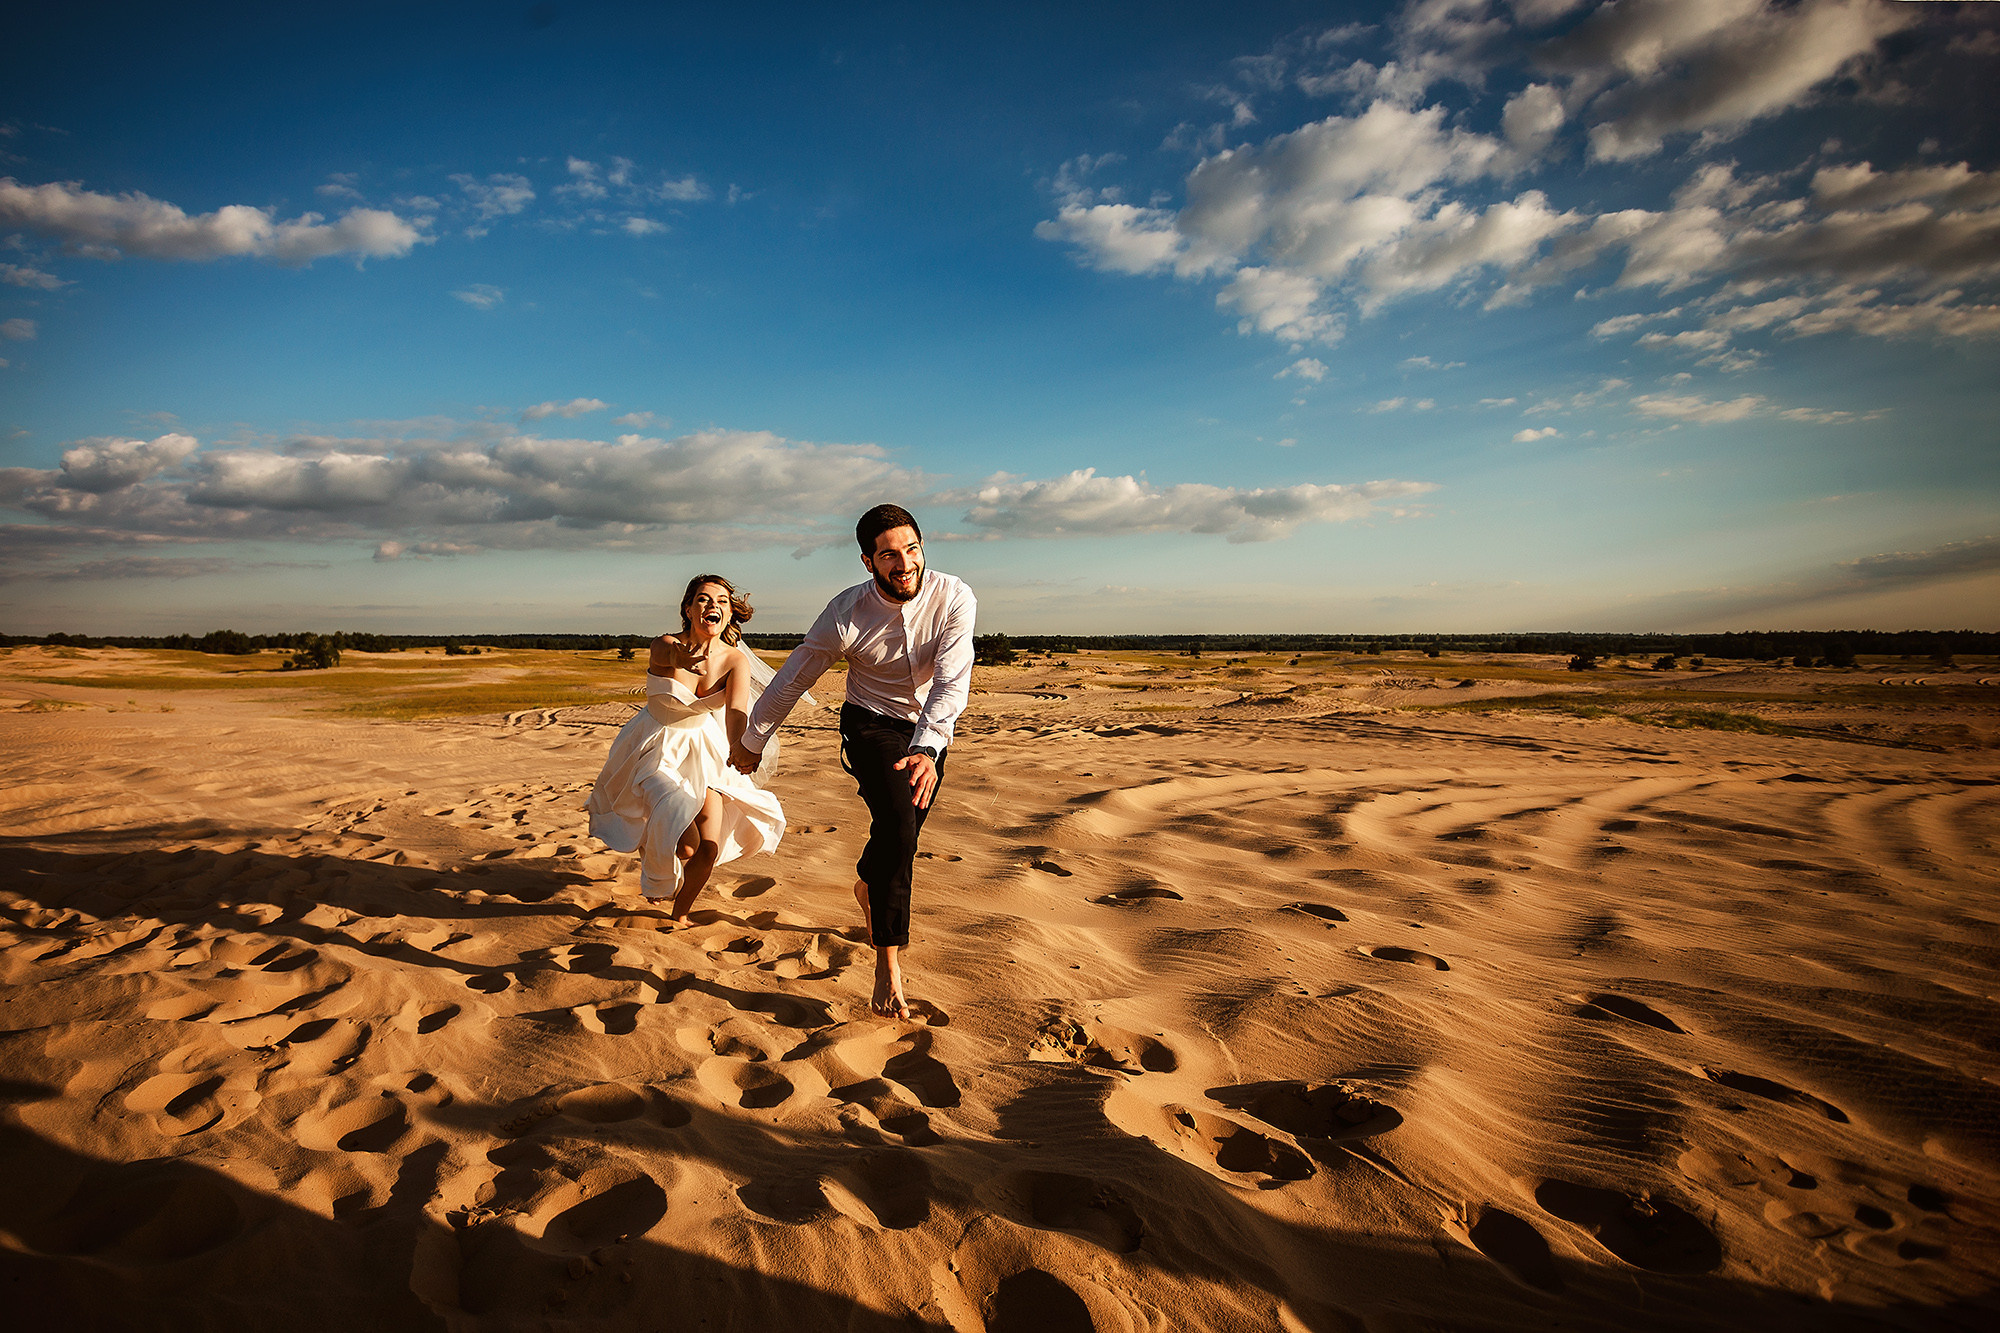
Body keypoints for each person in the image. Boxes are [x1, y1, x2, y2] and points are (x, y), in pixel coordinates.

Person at [730, 504, 975, 1020]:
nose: (903, 563)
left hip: (929, 729)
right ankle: (888, 966)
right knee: (901, 830)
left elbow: (952, 681)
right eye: (889, 554)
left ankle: (868, 882)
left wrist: (928, 748)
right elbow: (795, 676)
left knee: (898, 835)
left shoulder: (953, 595)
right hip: (871, 725)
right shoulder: (845, 612)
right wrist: (753, 739)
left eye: (912, 549)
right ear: (869, 562)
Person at [587, 575, 786, 923]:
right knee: (685, 842)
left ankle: (680, 914)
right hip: (657, 746)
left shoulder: (734, 660)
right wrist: (682, 657)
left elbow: (736, 713)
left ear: (729, 613)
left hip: (704, 748)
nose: (713, 606)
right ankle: (657, 861)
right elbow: (667, 654)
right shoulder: (665, 644)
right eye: (704, 600)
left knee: (707, 847)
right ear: (688, 608)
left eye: (722, 601)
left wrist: (740, 749)